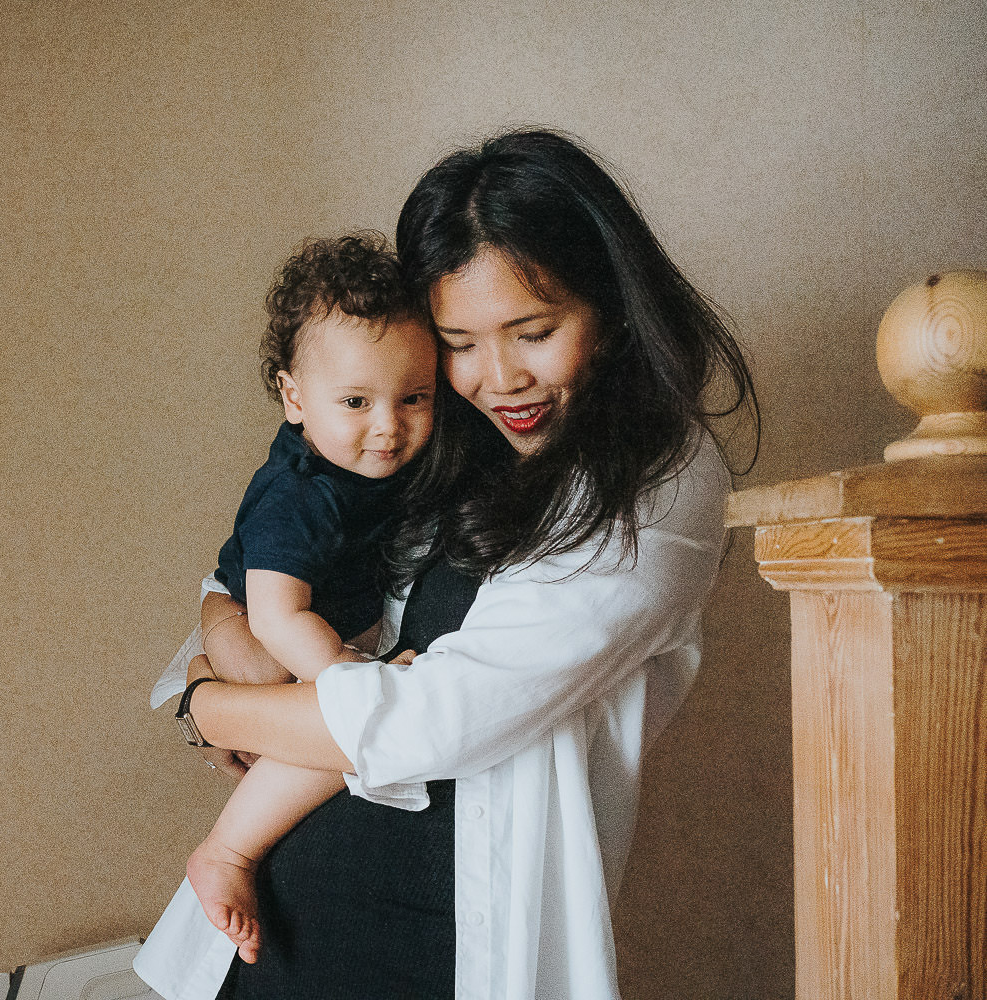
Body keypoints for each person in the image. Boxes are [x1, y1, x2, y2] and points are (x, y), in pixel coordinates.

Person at [135, 127, 757, 1000]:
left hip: (436, 957)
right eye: (459, 343)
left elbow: (436, 720)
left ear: (611, 309)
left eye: (533, 332)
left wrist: (211, 708)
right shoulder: (446, 446)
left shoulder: (659, 480)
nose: (497, 378)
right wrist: (220, 655)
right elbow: (260, 575)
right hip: (272, 938)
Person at [182, 233, 438, 963]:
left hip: (319, 621)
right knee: (311, 705)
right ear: (295, 397)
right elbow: (274, 615)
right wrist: (353, 679)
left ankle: (229, 845)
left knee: (339, 738)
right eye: (356, 401)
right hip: (249, 611)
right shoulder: (298, 496)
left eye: (414, 398)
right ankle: (228, 848)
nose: (389, 427)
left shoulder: (384, 451)